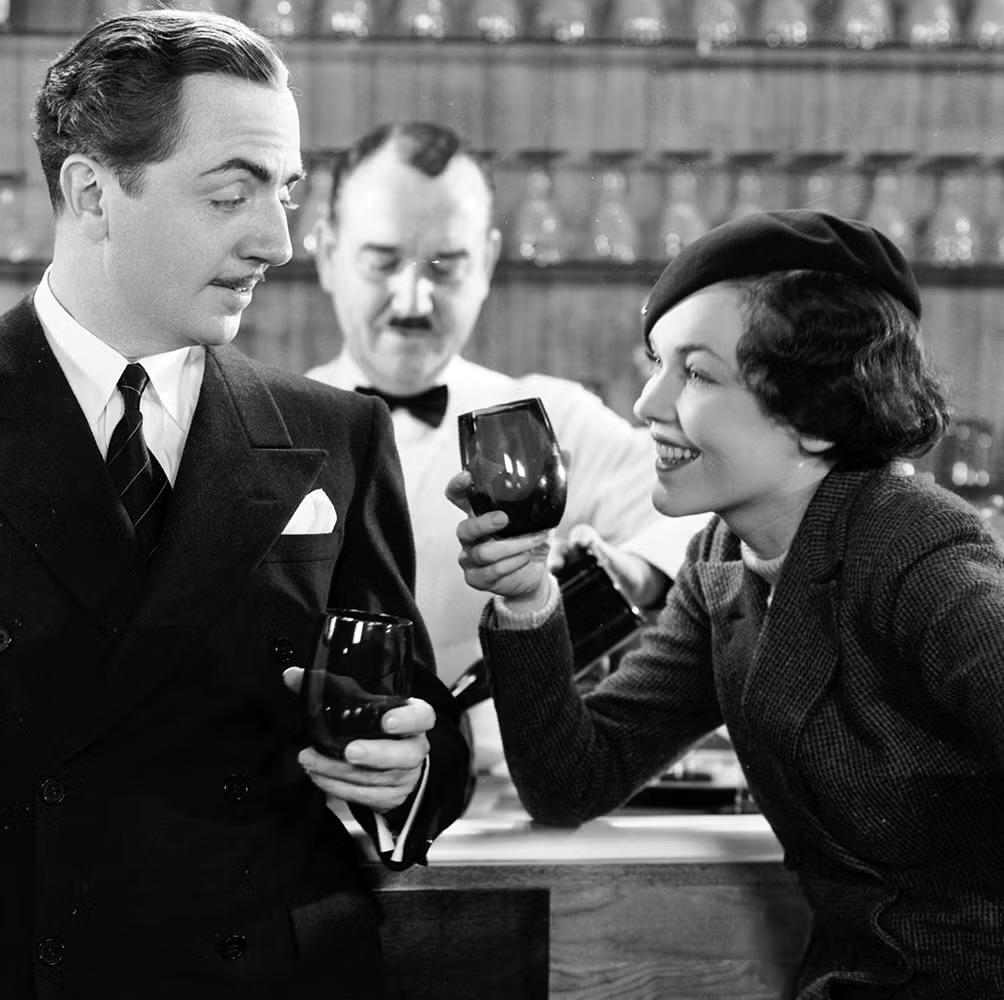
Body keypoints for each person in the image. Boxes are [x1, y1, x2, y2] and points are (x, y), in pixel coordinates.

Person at [1, 11, 469, 999]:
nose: (278, 240)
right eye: (232, 194)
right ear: (91, 192)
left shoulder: (336, 434)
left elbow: (415, 714)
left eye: (285, 191)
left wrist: (405, 769)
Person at [449, 210, 1004, 998]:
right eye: (658, 364)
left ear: (818, 413)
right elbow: (573, 781)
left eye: (699, 375)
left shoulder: (915, 550)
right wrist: (527, 598)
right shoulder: (721, 562)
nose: (648, 403)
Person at [305, 121, 708, 758]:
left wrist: (627, 574)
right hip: (313, 780)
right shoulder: (269, 423)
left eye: (446, 266)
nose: (413, 300)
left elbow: (709, 521)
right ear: (328, 254)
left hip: (509, 786)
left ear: (488, 263)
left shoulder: (553, 417)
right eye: (382, 262)